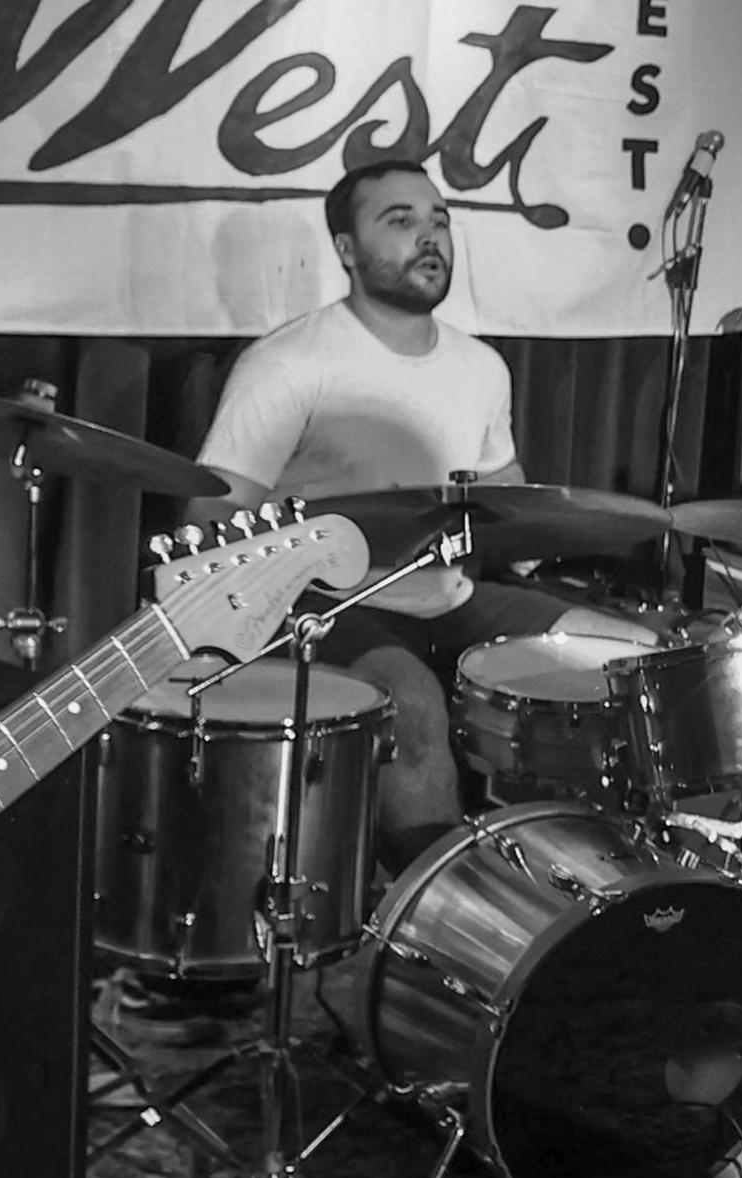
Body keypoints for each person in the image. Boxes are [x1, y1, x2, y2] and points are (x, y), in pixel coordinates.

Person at [191, 159, 577, 855]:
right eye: (400, 221)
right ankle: (437, 916)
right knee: (413, 706)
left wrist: (540, 530)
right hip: (326, 602)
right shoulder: (288, 363)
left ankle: (589, 887)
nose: (429, 237)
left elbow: (502, 498)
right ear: (346, 250)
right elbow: (206, 522)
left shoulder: (482, 367)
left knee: (614, 656)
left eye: (438, 221)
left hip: (451, 594)